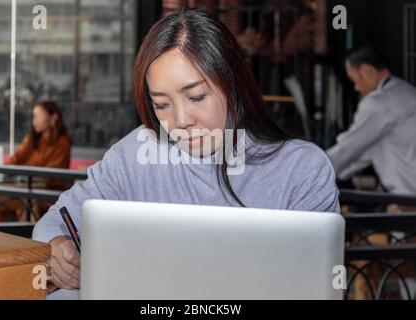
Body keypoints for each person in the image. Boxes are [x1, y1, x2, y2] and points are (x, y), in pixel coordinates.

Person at [32, 9, 339, 294]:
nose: (180, 121)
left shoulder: (301, 170)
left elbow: (316, 287)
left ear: (233, 85)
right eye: (162, 104)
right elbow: (53, 222)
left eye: (196, 96)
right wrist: (58, 246)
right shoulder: (136, 153)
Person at [326, 45, 416, 195]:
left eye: (354, 80)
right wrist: (333, 173)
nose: (356, 88)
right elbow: (365, 152)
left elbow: (348, 148)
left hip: (409, 196)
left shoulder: (379, 103)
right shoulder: (404, 90)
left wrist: (311, 171)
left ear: (367, 71)